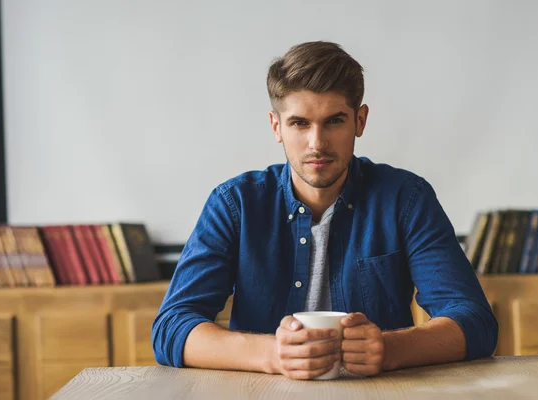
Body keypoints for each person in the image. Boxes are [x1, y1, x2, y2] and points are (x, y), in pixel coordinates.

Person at [151, 41, 498, 380]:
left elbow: (475, 321)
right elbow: (172, 327)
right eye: (300, 123)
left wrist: (389, 349)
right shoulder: (234, 204)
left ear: (359, 121)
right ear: (276, 126)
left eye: (334, 121)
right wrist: (274, 355)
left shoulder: (407, 199)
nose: (317, 143)